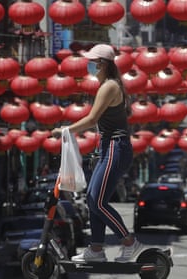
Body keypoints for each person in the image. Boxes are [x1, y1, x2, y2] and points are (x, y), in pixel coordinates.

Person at [51, 44, 142, 263]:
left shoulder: (109, 86)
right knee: (93, 199)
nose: (92, 67)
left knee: (97, 201)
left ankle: (130, 242)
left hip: (115, 147)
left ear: (103, 64)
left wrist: (65, 130)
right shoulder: (108, 85)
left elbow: (92, 119)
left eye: (94, 63)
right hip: (108, 147)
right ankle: (96, 249)